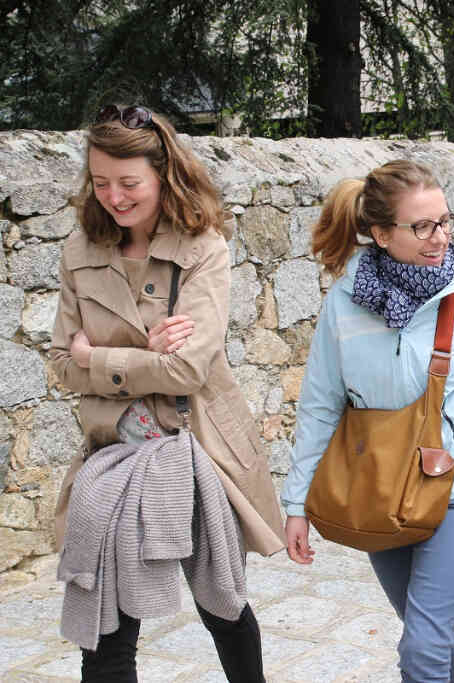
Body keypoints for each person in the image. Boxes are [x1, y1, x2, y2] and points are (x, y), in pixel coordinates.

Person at [49, 105, 286, 681]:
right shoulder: (79, 252)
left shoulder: (204, 249)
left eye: (129, 183)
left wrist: (97, 357)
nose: (114, 197)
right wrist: (144, 353)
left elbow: (185, 372)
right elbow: (60, 365)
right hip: (111, 456)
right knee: (106, 631)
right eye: (100, 182)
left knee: (223, 608)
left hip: (195, 449)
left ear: (163, 175)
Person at [281, 160, 454, 682]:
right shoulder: (343, 303)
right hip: (379, 493)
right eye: (422, 226)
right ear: (381, 233)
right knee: (431, 638)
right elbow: (320, 406)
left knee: (422, 645)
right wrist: (297, 503)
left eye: (444, 221)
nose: (440, 237)